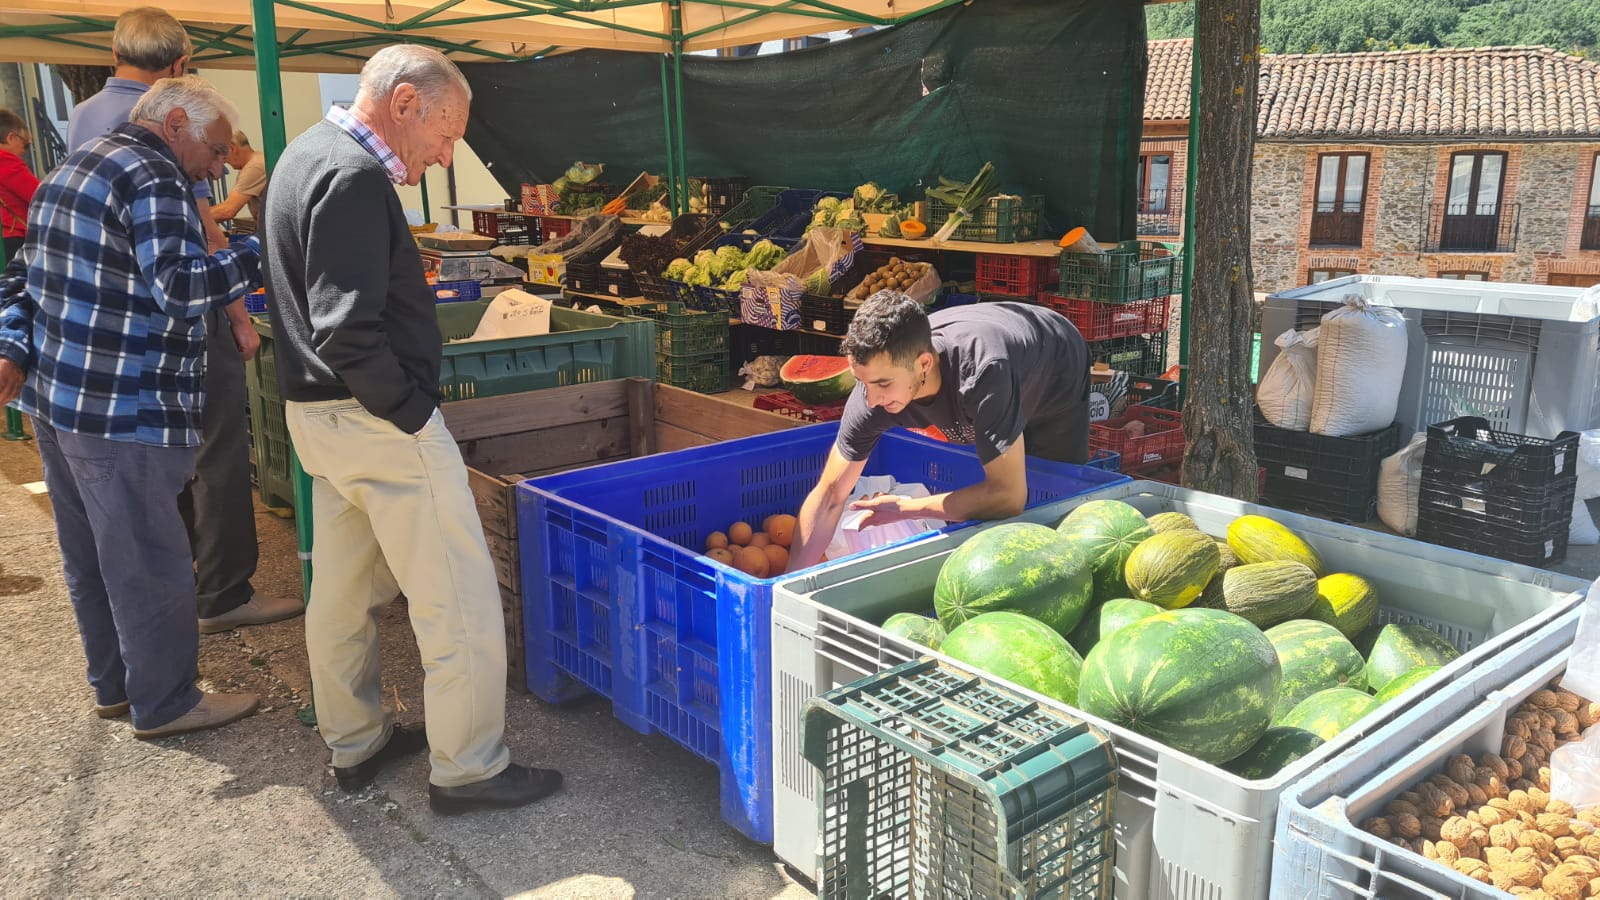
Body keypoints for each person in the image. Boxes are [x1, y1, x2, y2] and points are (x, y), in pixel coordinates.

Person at [261, 44, 562, 813]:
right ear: (403, 102)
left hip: (319, 419)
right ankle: (469, 768)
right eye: (446, 129)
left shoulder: (303, 154)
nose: (447, 149)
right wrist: (411, 412)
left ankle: (355, 741)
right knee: (456, 601)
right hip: (374, 421)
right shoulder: (355, 176)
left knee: (345, 592)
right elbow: (346, 329)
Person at [0, 77, 264, 738]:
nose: (215, 165)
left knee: (91, 556)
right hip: (128, 405)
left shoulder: (70, 166)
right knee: (149, 559)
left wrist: (10, 345)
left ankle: (116, 688)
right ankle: (167, 701)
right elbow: (180, 287)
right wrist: (260, 255)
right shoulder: (157, 176)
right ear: (176, 121)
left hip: (60, 400)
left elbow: (21, 277)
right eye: (215, 148)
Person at [69, 7, 300, 635]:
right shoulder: (167, 134)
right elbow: (202, 234)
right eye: (219, 153)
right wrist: (243, 310)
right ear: (177, 70)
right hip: (174, 324)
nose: (220, 164)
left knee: (153, 476)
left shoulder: (85, 118)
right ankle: (222, 593)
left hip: (103, 338)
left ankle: (181, 592)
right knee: (218, 448)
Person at [788, 292, 1091, 570]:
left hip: (1056, 367)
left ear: (924, 363)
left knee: (1055, 497)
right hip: (994, 369)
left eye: (883, 384)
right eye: (862, 382)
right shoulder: (873, 391)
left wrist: (907, 509)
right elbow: (829, 495)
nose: (872, 400)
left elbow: (1009, 497)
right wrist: (786, 585)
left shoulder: (982, 372)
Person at [0, 108, 39, 260]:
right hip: (15, 236)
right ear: (11, 138)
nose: (24, 151)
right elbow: (39, 195)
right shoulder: (7, 161)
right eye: (25, 144)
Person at [209, 130, 267, 225]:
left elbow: (227, 210)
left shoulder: (254, 167)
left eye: (220, 155)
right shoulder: (255, 162)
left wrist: (193, 215)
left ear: (231, 148)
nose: (224, 162)